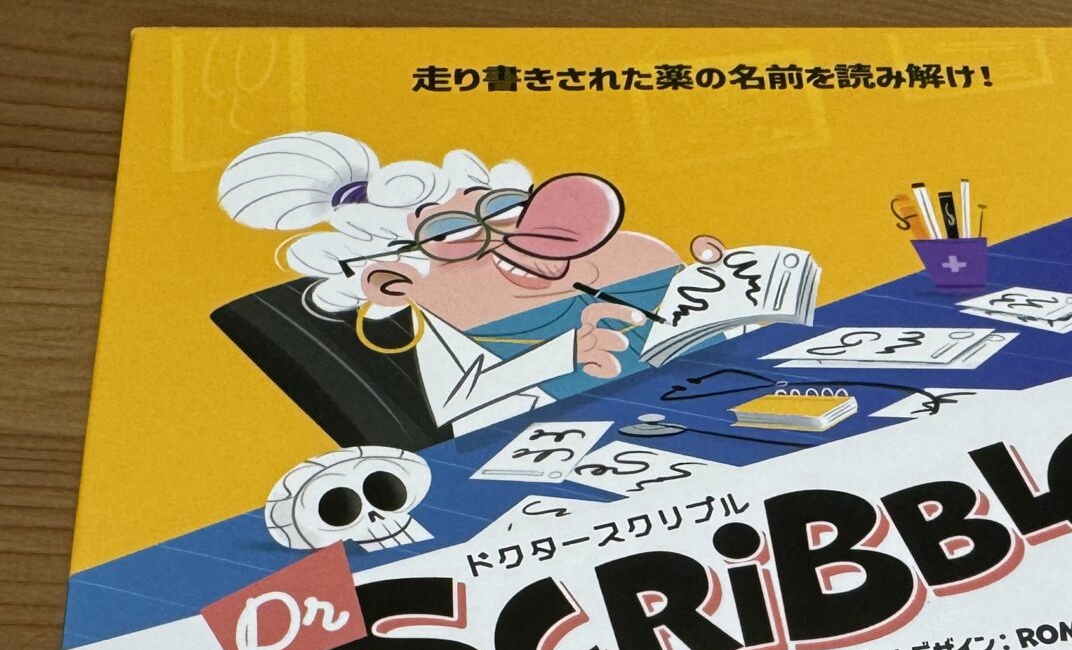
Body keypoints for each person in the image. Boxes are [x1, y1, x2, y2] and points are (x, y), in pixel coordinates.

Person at [217, 130, 722, 440]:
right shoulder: (447, 344)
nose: (507, 238)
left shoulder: (622, 262)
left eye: (505, 207)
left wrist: (724, 284)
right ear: (394, 284)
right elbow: (458, 407)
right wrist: (566, 353)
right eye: (451, 234)